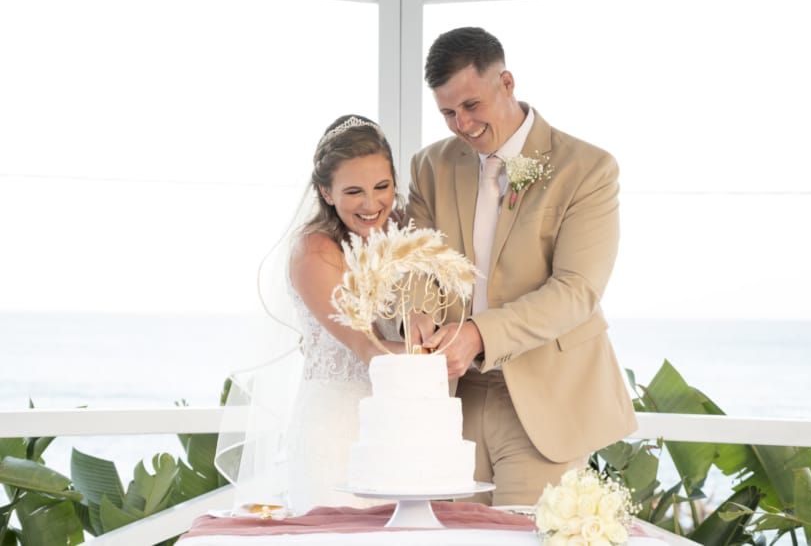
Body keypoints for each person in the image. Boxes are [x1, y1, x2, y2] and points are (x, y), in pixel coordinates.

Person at [407, 27, 638, 506]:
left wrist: (477, 334)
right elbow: (418, 265)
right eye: (448, 112)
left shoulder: (588, 168)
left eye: (472, 106)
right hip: (453, 400)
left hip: (544, 399)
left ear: (507, 83)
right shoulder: (430, 166)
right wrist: (417, 315)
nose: (462, 125)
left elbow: (577, 291)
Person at [217, 114, 406, 515]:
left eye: (382, 187)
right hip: (336, 433)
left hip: (397, 432)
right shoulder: (314, 252)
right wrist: (451, 352)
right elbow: (365, 346)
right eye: (354, 191)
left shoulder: (404, 238)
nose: (372, 204)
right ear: (325, 191)